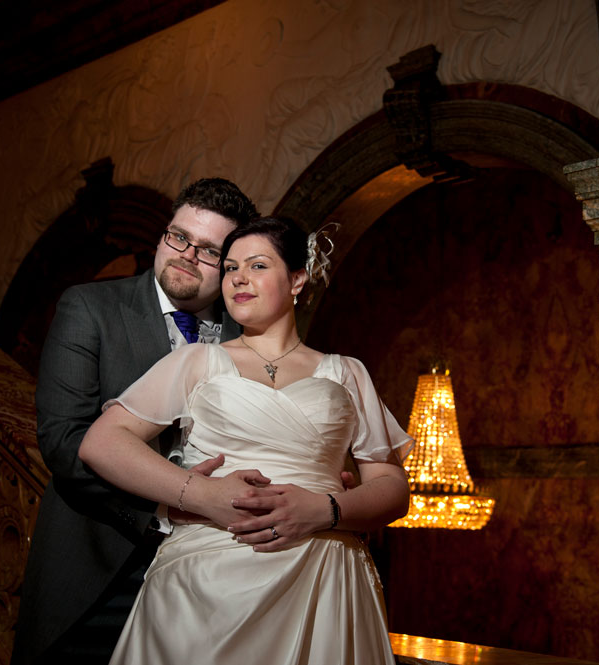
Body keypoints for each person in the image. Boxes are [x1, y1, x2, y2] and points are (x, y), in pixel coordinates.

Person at [78, 216, 413, 664]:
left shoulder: (347, 372)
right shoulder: (197, 361)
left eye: (256, 266)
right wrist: (202, 494)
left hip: (322, 576)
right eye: (231, 267)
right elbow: (102, 443)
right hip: (205, 580)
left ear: (297, 279)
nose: (238, 278)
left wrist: (326, 509)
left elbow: (392, 487)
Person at [12, 178, 259, 665]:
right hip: (101, 569)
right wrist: (175, 502)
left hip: (217, 576)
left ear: (232, 267)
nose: (187, 254)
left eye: (208, 250)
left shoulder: (251, 334)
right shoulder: (90, 307)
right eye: (178, 236)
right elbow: (65, 443)